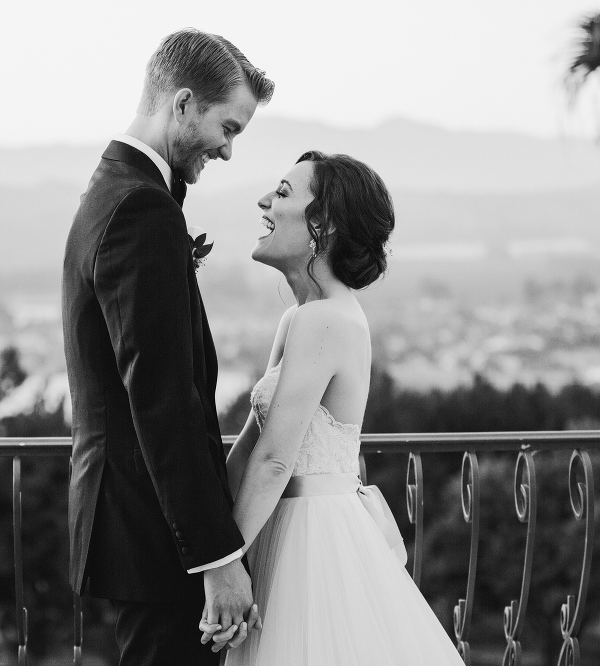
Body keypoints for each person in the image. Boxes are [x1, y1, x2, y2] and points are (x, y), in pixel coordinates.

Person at [61, 29, 273, 665]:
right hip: (154, 533)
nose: (230, 152)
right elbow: (160, 399)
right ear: (182, 104)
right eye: (227, 127)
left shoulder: (115, 188)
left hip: (138, 521)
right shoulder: (139, 209)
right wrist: (216, 556)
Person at [207, 152, 467, 665]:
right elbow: (251, 443)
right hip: (276, 525)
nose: (264, 202)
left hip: (313, 540)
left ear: (321, 225)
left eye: (282, 193)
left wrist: (227, 561)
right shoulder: (300, 317)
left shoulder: (323, 321)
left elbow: (276, 461)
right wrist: (209, 548)